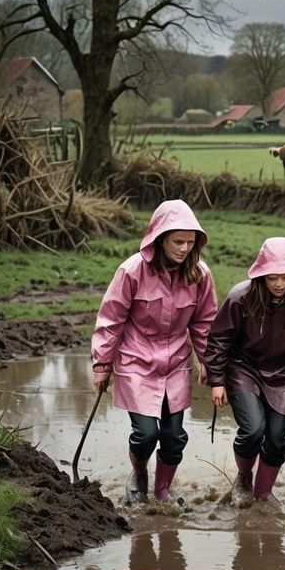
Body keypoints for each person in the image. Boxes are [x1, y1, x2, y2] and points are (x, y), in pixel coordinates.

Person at [91, 199, 217, 505]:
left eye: (190, 242)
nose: (184, 248)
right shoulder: (132, 271)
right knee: (146, 433)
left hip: (176, 364)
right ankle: (139, 476)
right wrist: (102, 366)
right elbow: (111, 320)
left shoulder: (200, 275)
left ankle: (162, 492)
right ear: (160, 238)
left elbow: (204, 324)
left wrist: (209, 364)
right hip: (136, 360)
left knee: (174, 438)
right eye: (178, 241)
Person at [204, 236, 285, 503]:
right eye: (272, 277)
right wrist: (217, 381)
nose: (279, 284)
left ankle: (263, 493)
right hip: (243, 367)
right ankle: (243, 477)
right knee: (253, 429)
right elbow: (219, 339)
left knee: (276, 437)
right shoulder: (241, 297)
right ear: (261, 275)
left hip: (284, 370)